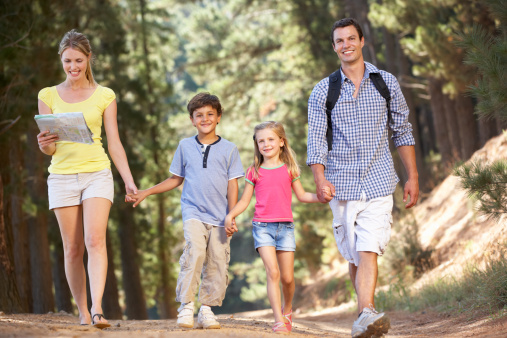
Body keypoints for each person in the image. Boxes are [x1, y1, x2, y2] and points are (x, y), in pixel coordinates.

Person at [306, 18, 419, 338]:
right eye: (339, 41)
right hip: (341, 185)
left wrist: (412, 176)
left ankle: (366, 312)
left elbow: (402, 131)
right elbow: (316, 141)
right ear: (334, 47)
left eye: (351, 39)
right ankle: (363, 314)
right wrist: (320, 180)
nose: (346, 45)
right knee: (355, 252)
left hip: (380, 180)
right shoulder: (323, 90)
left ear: (362, 41)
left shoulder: (386, 82)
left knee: (369, 246)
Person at [36, 29, 138, 328]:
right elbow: (50, 147)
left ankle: (97, 309)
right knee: (72, 248)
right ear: (61, 60)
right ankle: (81, 310)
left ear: (89, 58)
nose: (73, 67)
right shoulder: (47, 95)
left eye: (79, 60)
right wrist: (45, 145)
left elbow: (114, 142)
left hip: (97, 172)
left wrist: (128, 180)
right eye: (67, 61)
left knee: (95, 240)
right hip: (62, 177)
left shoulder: (105, 95)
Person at [129, 93, 244, 329]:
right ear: (191, 119)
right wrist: (146, 192)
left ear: (219, 117)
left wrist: (231, 215)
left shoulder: (230, 149)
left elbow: (233, 184)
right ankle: (186, 306)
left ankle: (206, 310)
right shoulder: (184, 146)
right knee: (195, 252)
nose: (205, 119)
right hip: (193, 211)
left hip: (221, 216)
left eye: (210, 114)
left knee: (218, 261)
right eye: (199, 115)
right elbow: (175, 179)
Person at [225, 121, 321, 334]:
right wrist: (230, 214)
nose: (266, 144)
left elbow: (303, 195)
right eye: (261, 141)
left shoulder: (289, 169)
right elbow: (244, 201)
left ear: (281, 142)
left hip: (286, 228)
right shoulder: (254, 171)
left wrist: (322, 197)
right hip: (262, 227)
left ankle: (287, 309)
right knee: (273, 272)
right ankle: (278, 319)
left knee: (287, 278)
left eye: (270, 139)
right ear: (257, 145)